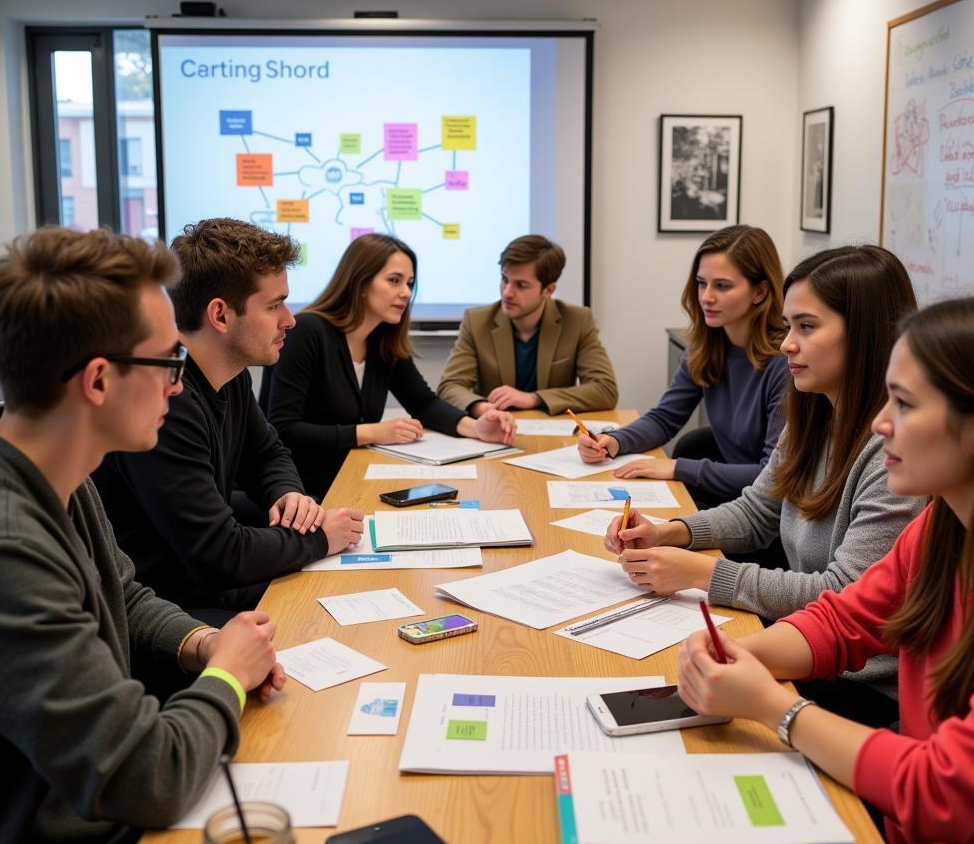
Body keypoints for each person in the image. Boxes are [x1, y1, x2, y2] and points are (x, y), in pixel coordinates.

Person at [677, 294, 974, 844]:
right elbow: (846, 619)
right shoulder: (941, 527)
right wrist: (743, 652)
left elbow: (943, 788)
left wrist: (775, 707)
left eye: (906, 405)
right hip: (902, 835)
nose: (882, 423)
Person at [0, 227, 285, 844]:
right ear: (98, 380)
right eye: (166, 360)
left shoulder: (63, 470)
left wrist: (202, 645)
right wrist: (225, 679)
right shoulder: (7, 547)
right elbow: (144, 774)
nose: (179, 381)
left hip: (100, 827)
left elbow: (122, 592)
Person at [606, 246, 925, 723]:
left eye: (807, 326)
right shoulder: (815, 412)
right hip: (804, 647)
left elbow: (844, 599)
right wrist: (670, 531)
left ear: (865, 335)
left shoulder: (893, 453)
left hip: (861, 686)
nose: (786, 344)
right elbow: (758, 512)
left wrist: (702, 574)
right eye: (788, 325)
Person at [93, 218, 363, 620]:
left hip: (210, 589)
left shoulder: (228, 375)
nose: (289, 320)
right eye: (274, 305)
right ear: (220, 315)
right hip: (173, 612)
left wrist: (287, 496)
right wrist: (320, 539)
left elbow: (268, 453)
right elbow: (218, 556)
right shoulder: (167, 399)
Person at [264, 233, 516, 496]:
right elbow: (284, 429)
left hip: (354, 475)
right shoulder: (307, 330)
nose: (406, 292)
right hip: (300, 490)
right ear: (360, 282)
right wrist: (373, 432)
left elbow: (423, 403)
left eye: (409, 283)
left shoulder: (383, 339)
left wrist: (476, 427)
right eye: (394, 280)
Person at [579, 225, 788, 508]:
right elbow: (665, 418)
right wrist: (613, 442)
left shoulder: (786, 363)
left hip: (769, 517)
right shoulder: (707, 345)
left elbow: (771, 476)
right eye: (702, 283)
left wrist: (678, 468)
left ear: (760, 292)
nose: (706, 297)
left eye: (722, 286)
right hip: (732, 502)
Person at [436, 234, 618, 415]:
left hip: (551, 433)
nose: (507, 293)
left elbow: (605, 390)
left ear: (548, 290)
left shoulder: (577, 321)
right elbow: (449, 386)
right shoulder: (477, 322)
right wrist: (482, 408)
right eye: (505, 279)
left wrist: (533, 398)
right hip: (492, 432)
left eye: (521, 285)